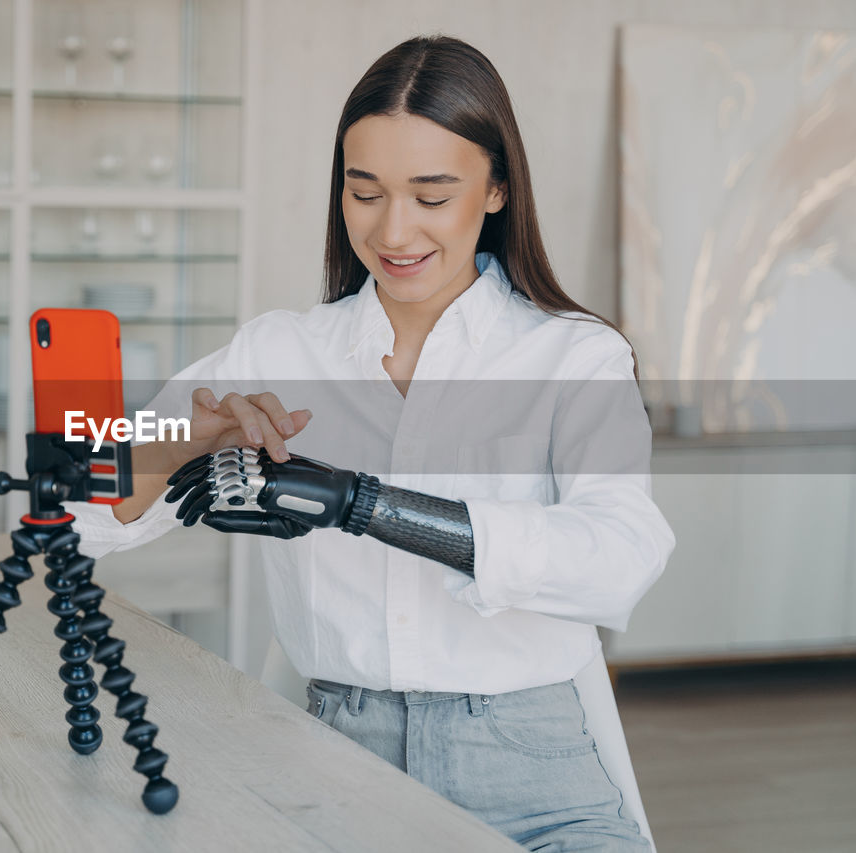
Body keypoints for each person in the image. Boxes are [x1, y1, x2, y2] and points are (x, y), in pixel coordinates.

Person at [68, 34, 673, 851]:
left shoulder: (575, 355)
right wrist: (181, 441)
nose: (394, 230)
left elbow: (620, 557)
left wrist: (365, 505)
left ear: (496, 188)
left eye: (433, 195)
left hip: (533, 774)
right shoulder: (275, 353)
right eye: (366, 192)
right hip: (327, 763)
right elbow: (69, 515)